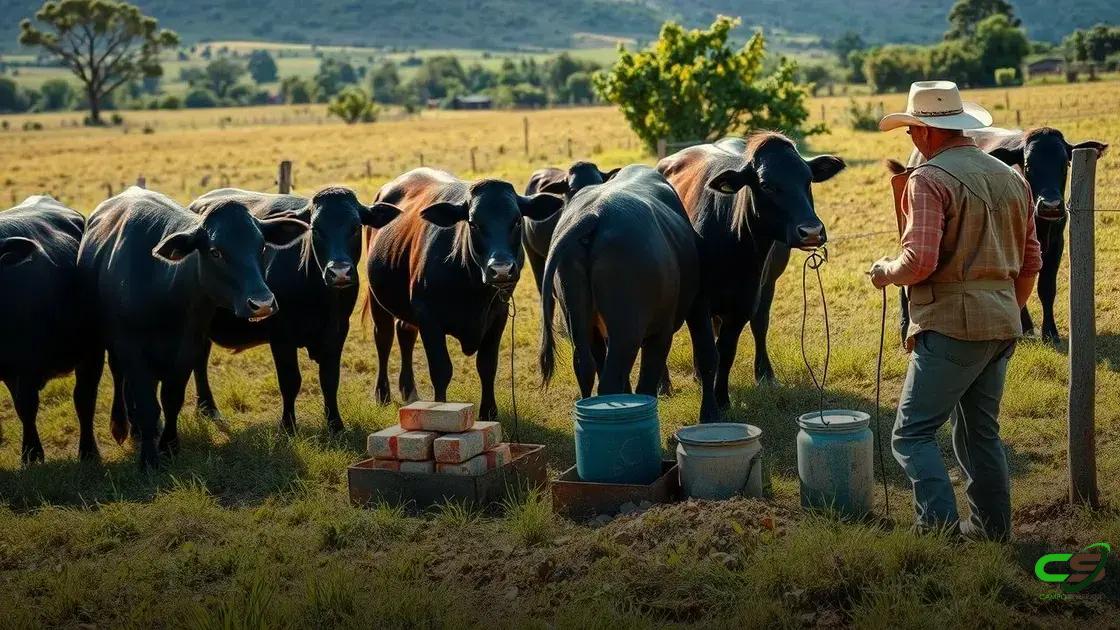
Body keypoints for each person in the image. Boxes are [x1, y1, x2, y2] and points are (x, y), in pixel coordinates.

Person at [870, 81, 1042, 540]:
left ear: (926, 131)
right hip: (1003, 322)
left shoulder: (928, 179)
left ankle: (938, 532)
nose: (910, 140)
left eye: (911, 130)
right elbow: (1031, 262)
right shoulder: (1013, 178)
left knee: (912, 434)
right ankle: (991, 530)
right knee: (980, 434)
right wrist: (1004, 309)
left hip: (950, 327)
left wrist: (885, 272)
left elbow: (919, 261)